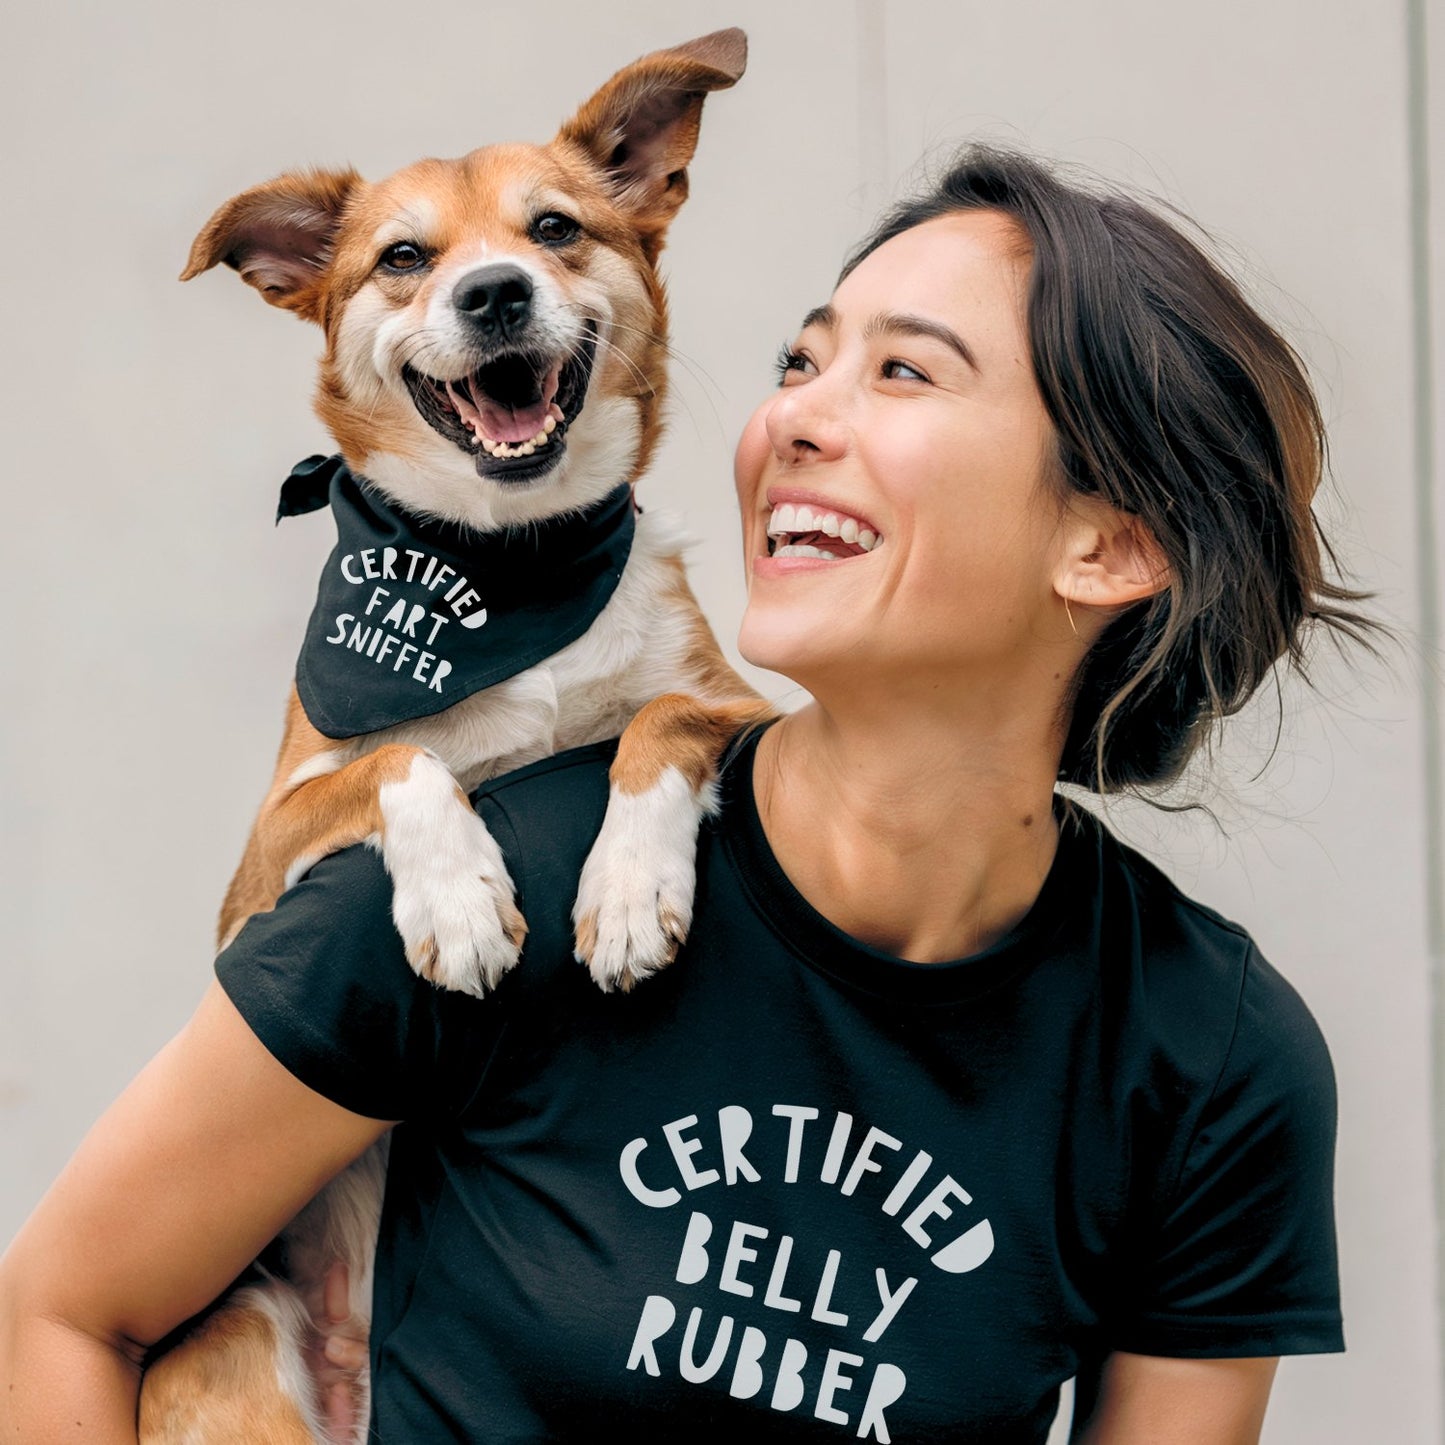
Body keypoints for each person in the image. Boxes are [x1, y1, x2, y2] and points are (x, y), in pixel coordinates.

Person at [0, 146, 1368, 1443]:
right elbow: (62, 1309)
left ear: (1107, 544)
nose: (791, 418)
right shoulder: (476, 887)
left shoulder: (1205, 1058)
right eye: (802, 359)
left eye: (901, 373)